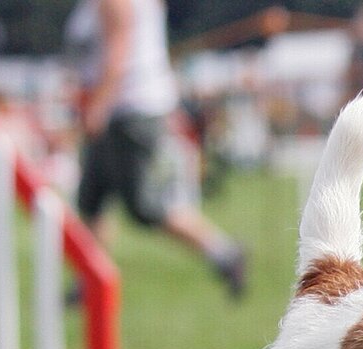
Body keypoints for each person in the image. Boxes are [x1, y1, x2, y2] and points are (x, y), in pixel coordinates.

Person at [65, 0, 247, 299]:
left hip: (127, 112)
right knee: (92, 196)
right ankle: (89, 278)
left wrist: (98, 106)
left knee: (144, 206)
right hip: (127, 110)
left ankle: (224, 253)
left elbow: (117, 52)